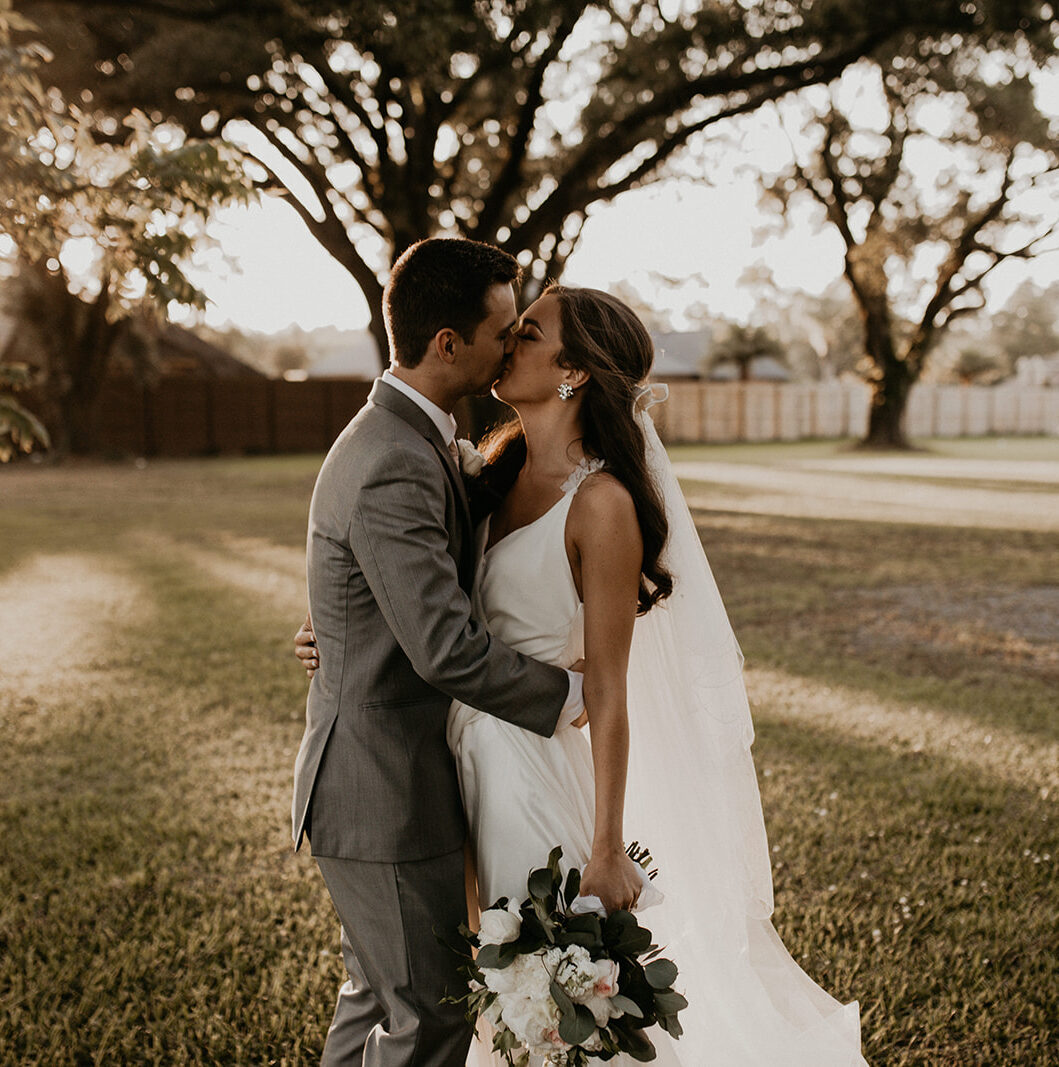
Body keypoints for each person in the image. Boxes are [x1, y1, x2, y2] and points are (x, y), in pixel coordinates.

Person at [299, 285, 868, 1065]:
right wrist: (337, 632)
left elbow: (606, 688)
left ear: (574, 374)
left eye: (526, 333)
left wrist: (606, 846)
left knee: (541, 1003)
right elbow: (413, 589)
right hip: (447, 767)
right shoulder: (484, 472)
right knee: (451, 990)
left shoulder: (600, 503)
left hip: (526, 772)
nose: (507, 344)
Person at [294, 238, 591, 1067]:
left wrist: (341, 629)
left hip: (393, 777)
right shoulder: (391, 455)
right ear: (449, 343)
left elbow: (394, 585)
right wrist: (569, 696)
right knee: (427, 1018)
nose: (513, 343)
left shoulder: (422, 438)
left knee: (380, 1000)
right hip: (381, 787)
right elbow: (442, 647)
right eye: (504, 330)